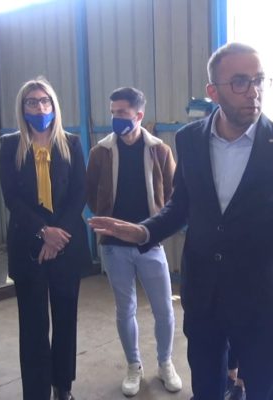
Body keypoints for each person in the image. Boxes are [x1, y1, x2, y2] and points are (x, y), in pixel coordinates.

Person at [89, 42, 273, 400]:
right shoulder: (190, 139)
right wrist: (144, 231)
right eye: (240, 82)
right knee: (207, 388)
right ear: (213, 91)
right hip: (204, 295)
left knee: (264, 390)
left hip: (261, 297)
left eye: (259, 80)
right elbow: (180, 205)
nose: (254, 91)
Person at [0, 77, 91, 400]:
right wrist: (43, 232)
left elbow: (79, 192)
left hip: (66, 243)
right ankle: (36, 392)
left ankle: (62, 385)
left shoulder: (71, 144)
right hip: (28, 244)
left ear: (54, 105)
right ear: (22, 108)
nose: (39, 108)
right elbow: (11, 198)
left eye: (45, 101)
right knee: (33, 324)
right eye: (32, 102)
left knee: (65, 319)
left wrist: (57, 235)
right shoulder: (10, 146)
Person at [85, 86, 182, 396]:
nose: (116, 118)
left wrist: (154, 228)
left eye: (123, 113)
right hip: (115, 246)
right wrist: (109, 223)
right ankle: (133, 366)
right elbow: (91, 192)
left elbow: (174, 193)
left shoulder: (159, 150)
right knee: (124, 309)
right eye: (113, 113)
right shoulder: (100, 152)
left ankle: (165, 363)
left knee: (164, 309)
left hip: (150, 243)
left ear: (139, 115)